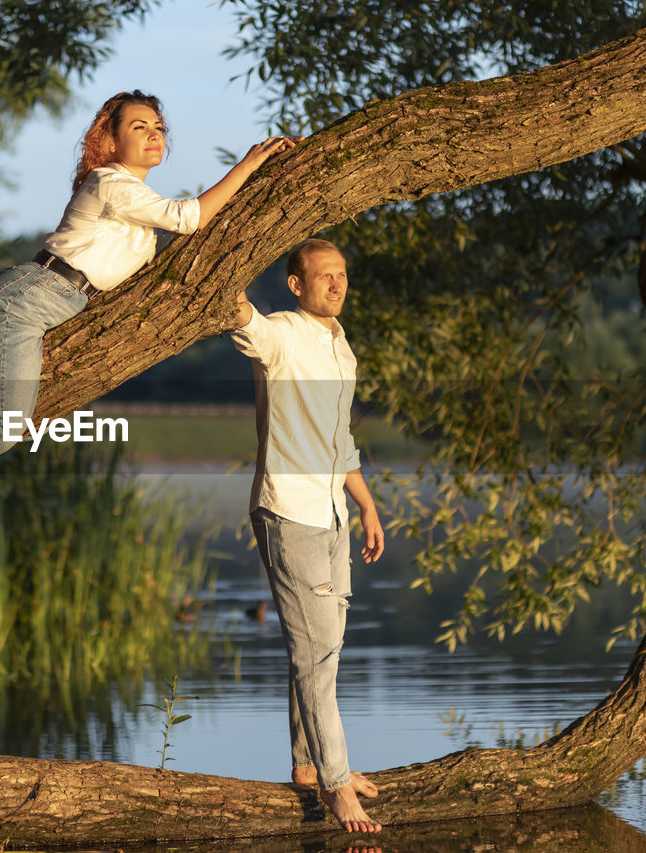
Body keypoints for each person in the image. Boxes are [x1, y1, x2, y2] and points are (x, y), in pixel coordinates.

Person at [0, 91, 294, 502]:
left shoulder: (137, 207)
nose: (154, 134)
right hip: (27, 299)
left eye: (158, 127)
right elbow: (188, 216)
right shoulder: (109, 181)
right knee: (1, 430)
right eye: (139, 126)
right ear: (110, 143)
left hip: (49, 305)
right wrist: (250, 164)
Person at [231, 238, 385, 834]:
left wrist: (367, 507)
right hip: (288, 513)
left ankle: (307, 765)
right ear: (297, 285)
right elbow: (240, 317)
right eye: (324, 276)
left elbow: (339, 442)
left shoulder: (340, 348)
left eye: (342, 275)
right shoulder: (283, 335)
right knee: (315, 653)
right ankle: (337, 784)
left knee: (324, 652)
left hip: (332, 516)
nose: (337, 284)